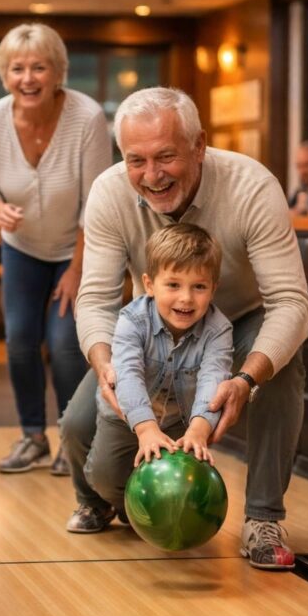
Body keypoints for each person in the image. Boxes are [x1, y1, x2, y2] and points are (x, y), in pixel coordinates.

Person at [64, 87, 308, 570]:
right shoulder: (110, 193)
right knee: (77, 426)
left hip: (238, 321)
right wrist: (106, 365)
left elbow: (291, 302)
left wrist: (246, 379)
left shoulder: (251, 186)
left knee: (282, 366)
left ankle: (262, 518)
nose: (151, 175)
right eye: (136, 160)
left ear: (199, 146)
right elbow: (94, 300)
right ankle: (104, 498)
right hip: (151, 332)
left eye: (166, 157)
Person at [0, 23, 112, 475]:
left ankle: (72, 439)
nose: (28, 78)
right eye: (17, 69)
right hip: (21, 248)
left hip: (76, 249)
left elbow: (97, 202)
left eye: (39, 67)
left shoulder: (87, 117)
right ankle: (32, 436)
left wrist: (77, 269)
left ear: (58, 72)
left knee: (65, 344)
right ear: (4, 74)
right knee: (19, 342)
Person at [83, 224, 233, 522]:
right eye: (173, 285)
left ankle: (145, 514)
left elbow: (213, 379)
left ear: (213, 288)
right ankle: (102, 503)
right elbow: (127, 374)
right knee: (103, 478)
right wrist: (145, 429)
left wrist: (199, 430)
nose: (186, 298)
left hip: (179, 421)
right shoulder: (132, 320)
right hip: (126, 416)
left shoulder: (219, 329)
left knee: (177, 487)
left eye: (199, 287)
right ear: (150, 285)